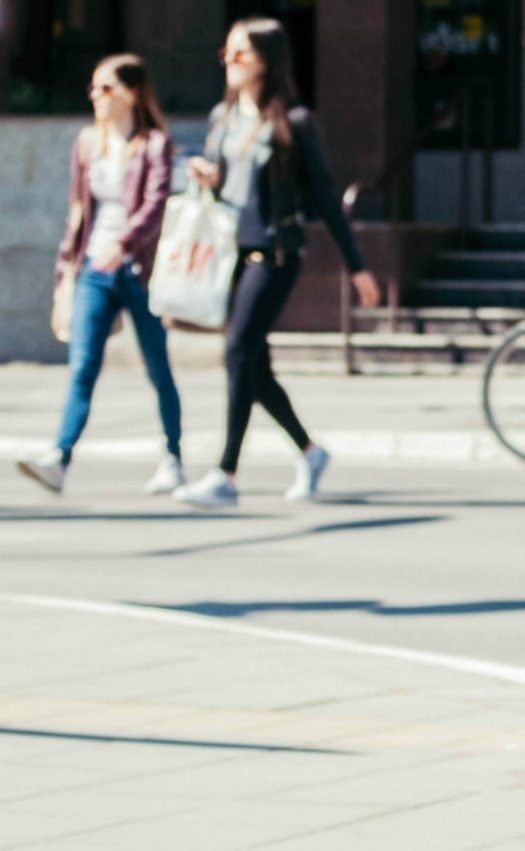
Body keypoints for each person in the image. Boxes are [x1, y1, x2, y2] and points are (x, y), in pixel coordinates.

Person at [173, 17, 380, 508]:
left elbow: (326, 198)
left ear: (267, 60)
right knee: (252, 366)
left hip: (277, 253)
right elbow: (231, 189)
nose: (231, 63)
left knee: (238, 351)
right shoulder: (222, 120)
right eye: (226, 54)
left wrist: (357, 266)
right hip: (232, 254)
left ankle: (225, 474)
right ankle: (310, 452)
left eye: (241, 54)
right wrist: (209, 178)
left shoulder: (293, 122)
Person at [18, 54, 183, 497]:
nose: (96, 96)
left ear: (131, 92)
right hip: (93, 267)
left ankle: (173, 457)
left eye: (106, 88)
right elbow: (77, 211)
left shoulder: (154, 144)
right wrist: (65, 271)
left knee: (157, 367)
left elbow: (155, 204)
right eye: (93, 88)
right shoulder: (88, 143)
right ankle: (60, 457)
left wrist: (124, 245)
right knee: (82, 367)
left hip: (139, 272)